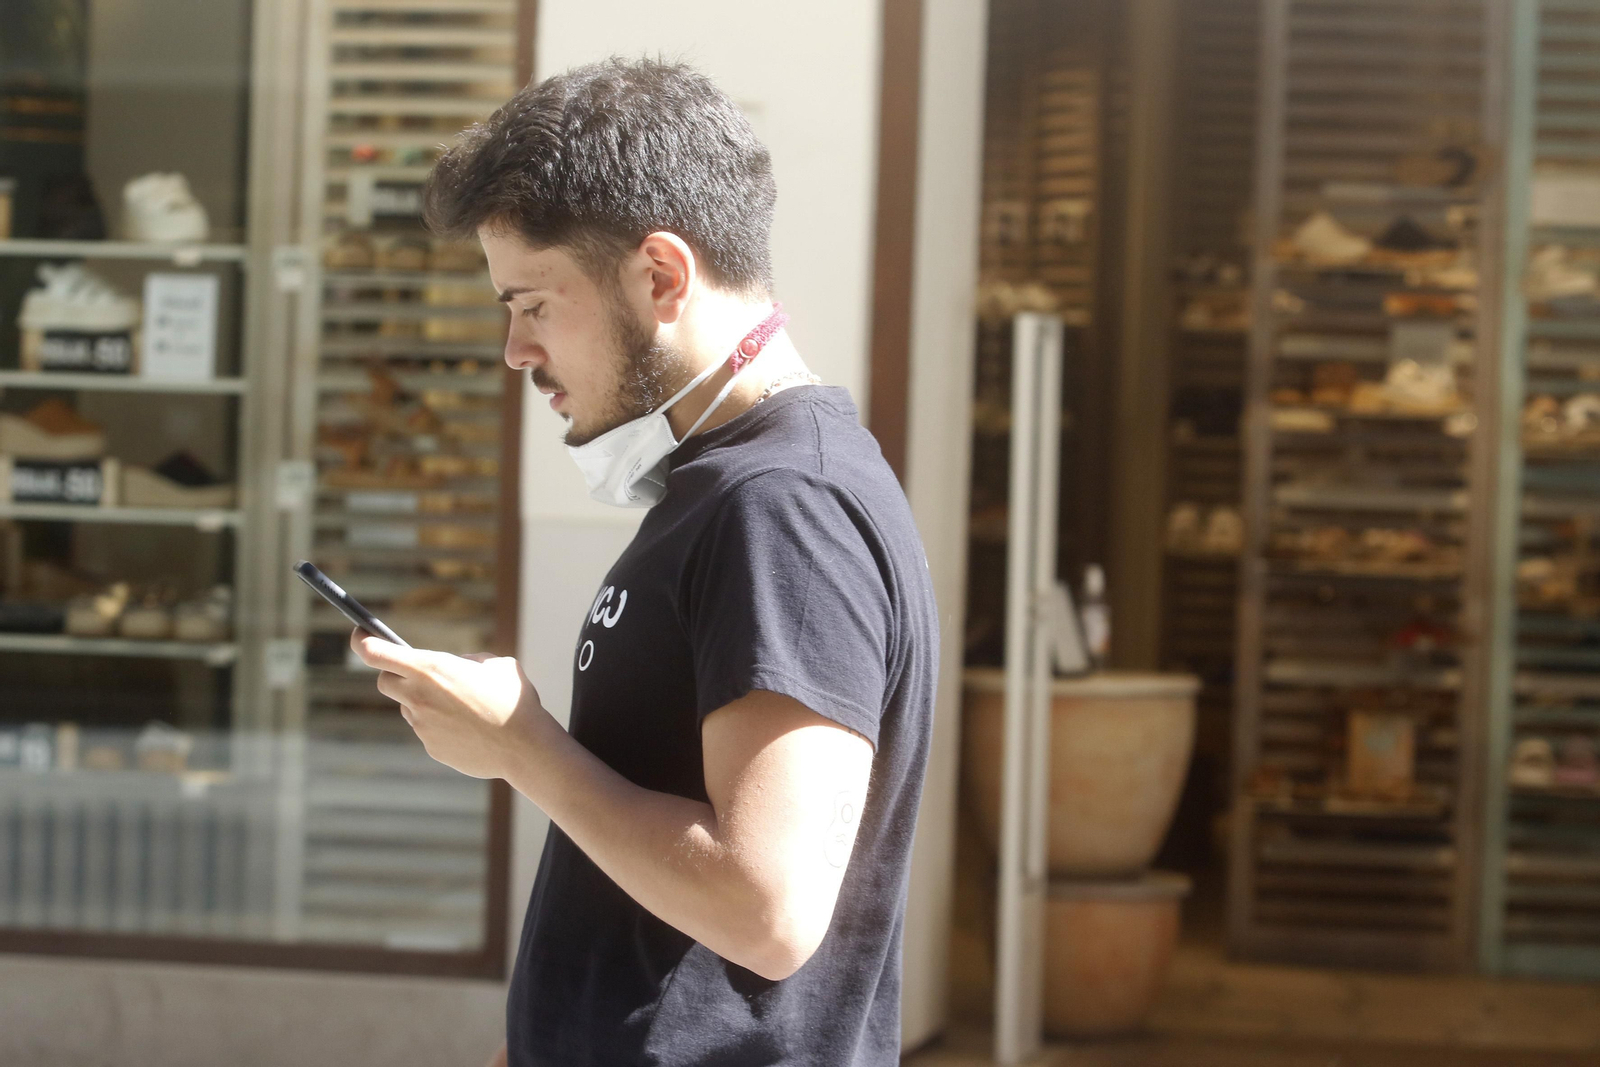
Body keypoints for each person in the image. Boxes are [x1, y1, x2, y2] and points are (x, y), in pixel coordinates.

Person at [350, 57, 939, 1067]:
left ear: (660, 276)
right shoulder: (726, 488)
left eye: (533, 303)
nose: (513, 350)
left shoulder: (784, 504)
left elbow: (766, 907)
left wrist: (523, 746)